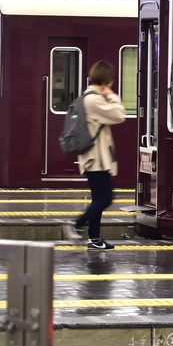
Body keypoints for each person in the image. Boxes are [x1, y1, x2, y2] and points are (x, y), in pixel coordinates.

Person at [63, 60, 127, 251]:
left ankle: (95, 238)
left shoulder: (87, 96)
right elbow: (119, 115)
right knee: (106, 198)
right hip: (96, 159)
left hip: (93, 157)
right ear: (107, 80)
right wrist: (112, 96)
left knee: (98, 197)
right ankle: (75, 224)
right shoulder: (94, 99)